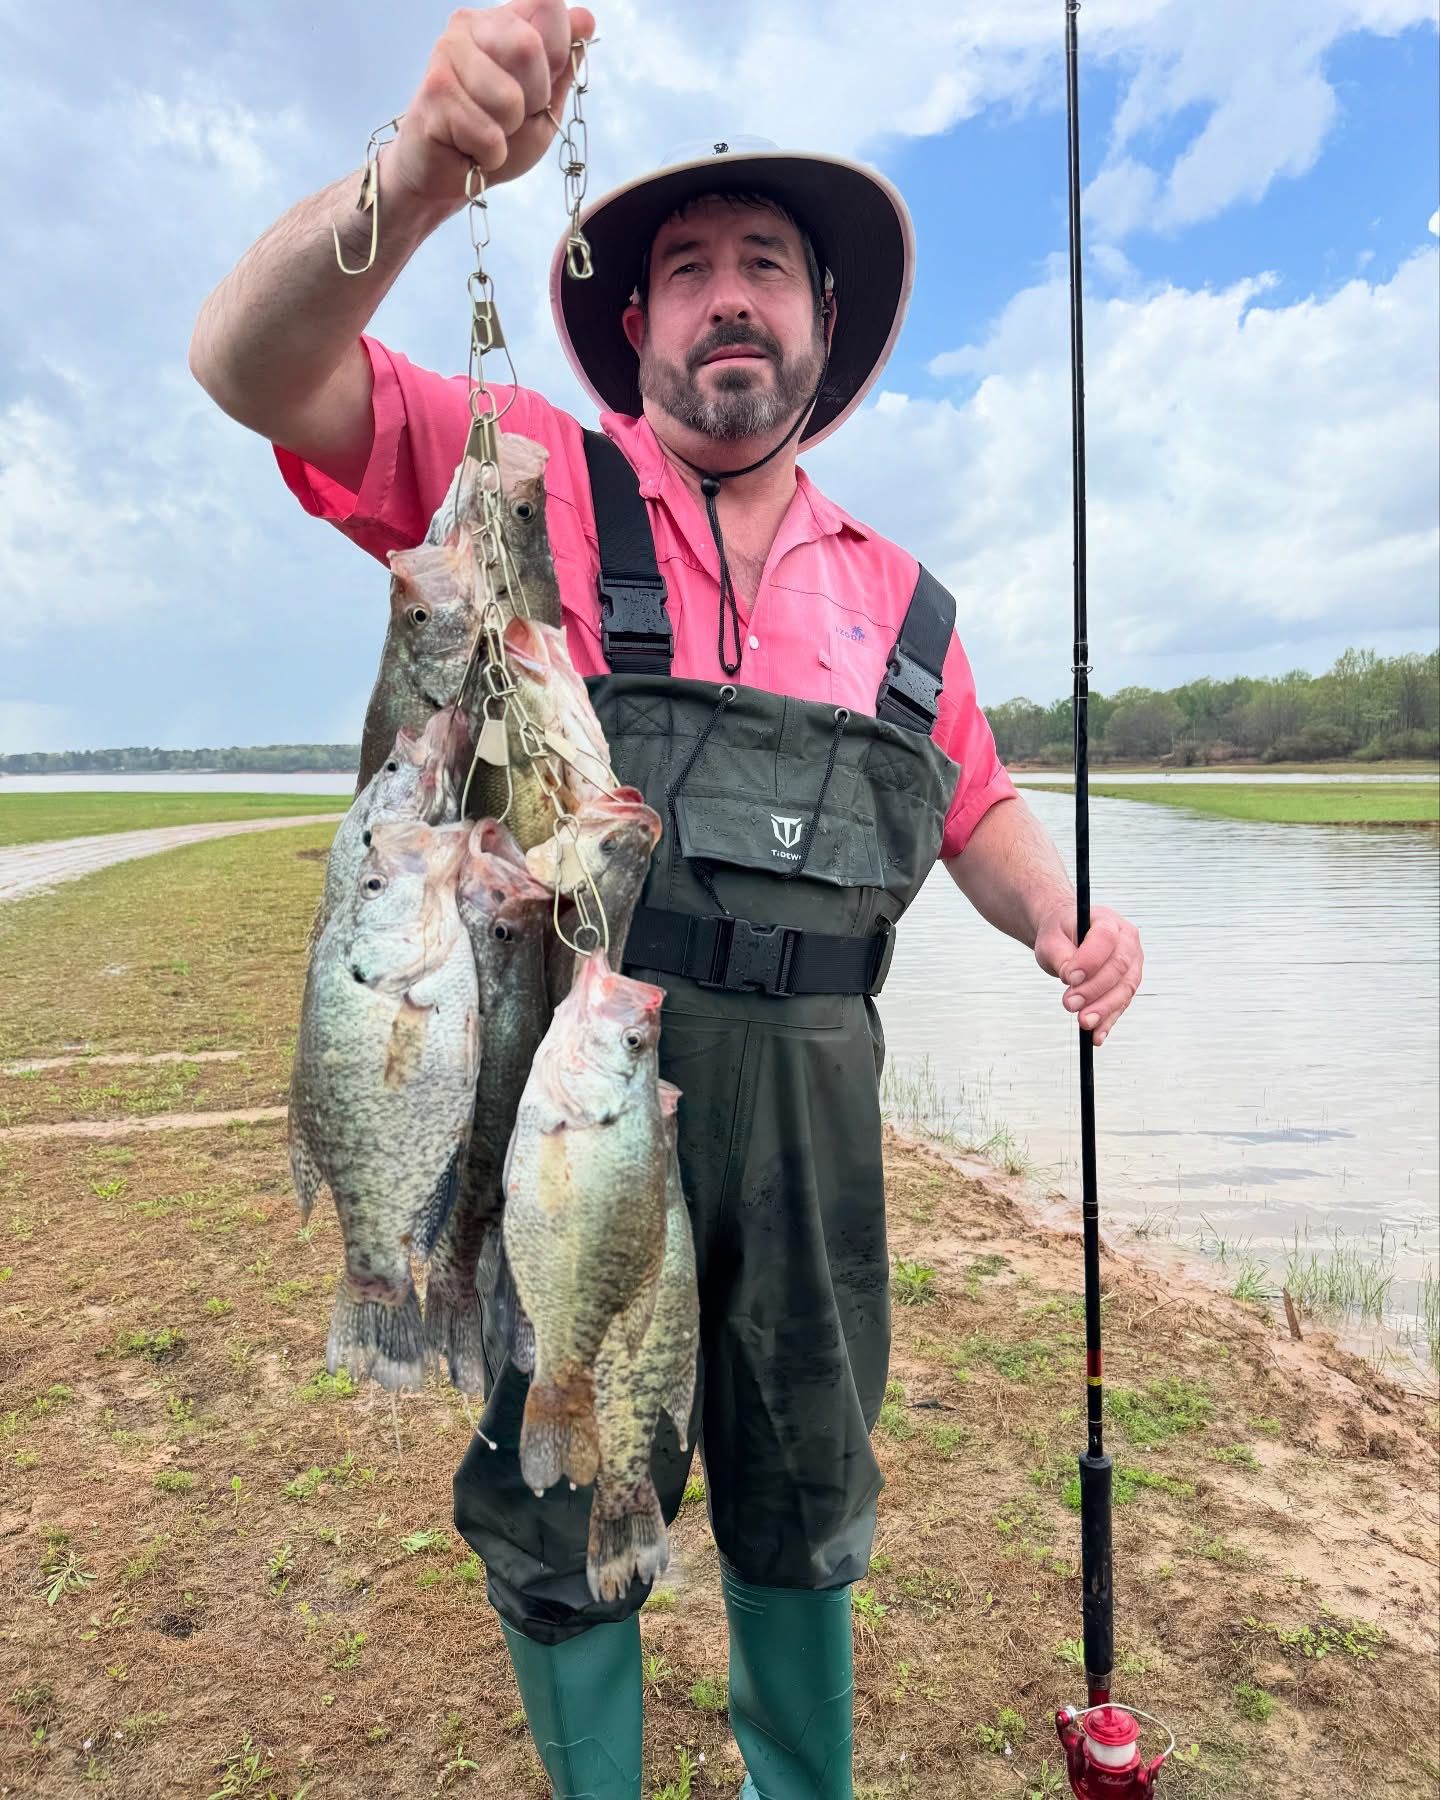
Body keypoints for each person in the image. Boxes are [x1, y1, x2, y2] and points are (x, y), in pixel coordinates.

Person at [190, 4, 1145, 1794]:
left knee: (806, 1495)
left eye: (764, 266)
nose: (728, 296)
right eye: (688, 268)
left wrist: (1063, 921)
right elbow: (251, 367)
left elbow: (976, 804)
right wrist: (415, 174)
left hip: (816, 1129)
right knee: (565, 1490)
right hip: (579, 1106)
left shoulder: (908, 605)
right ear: (632, 326)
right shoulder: (525, 475)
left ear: (820, 323)